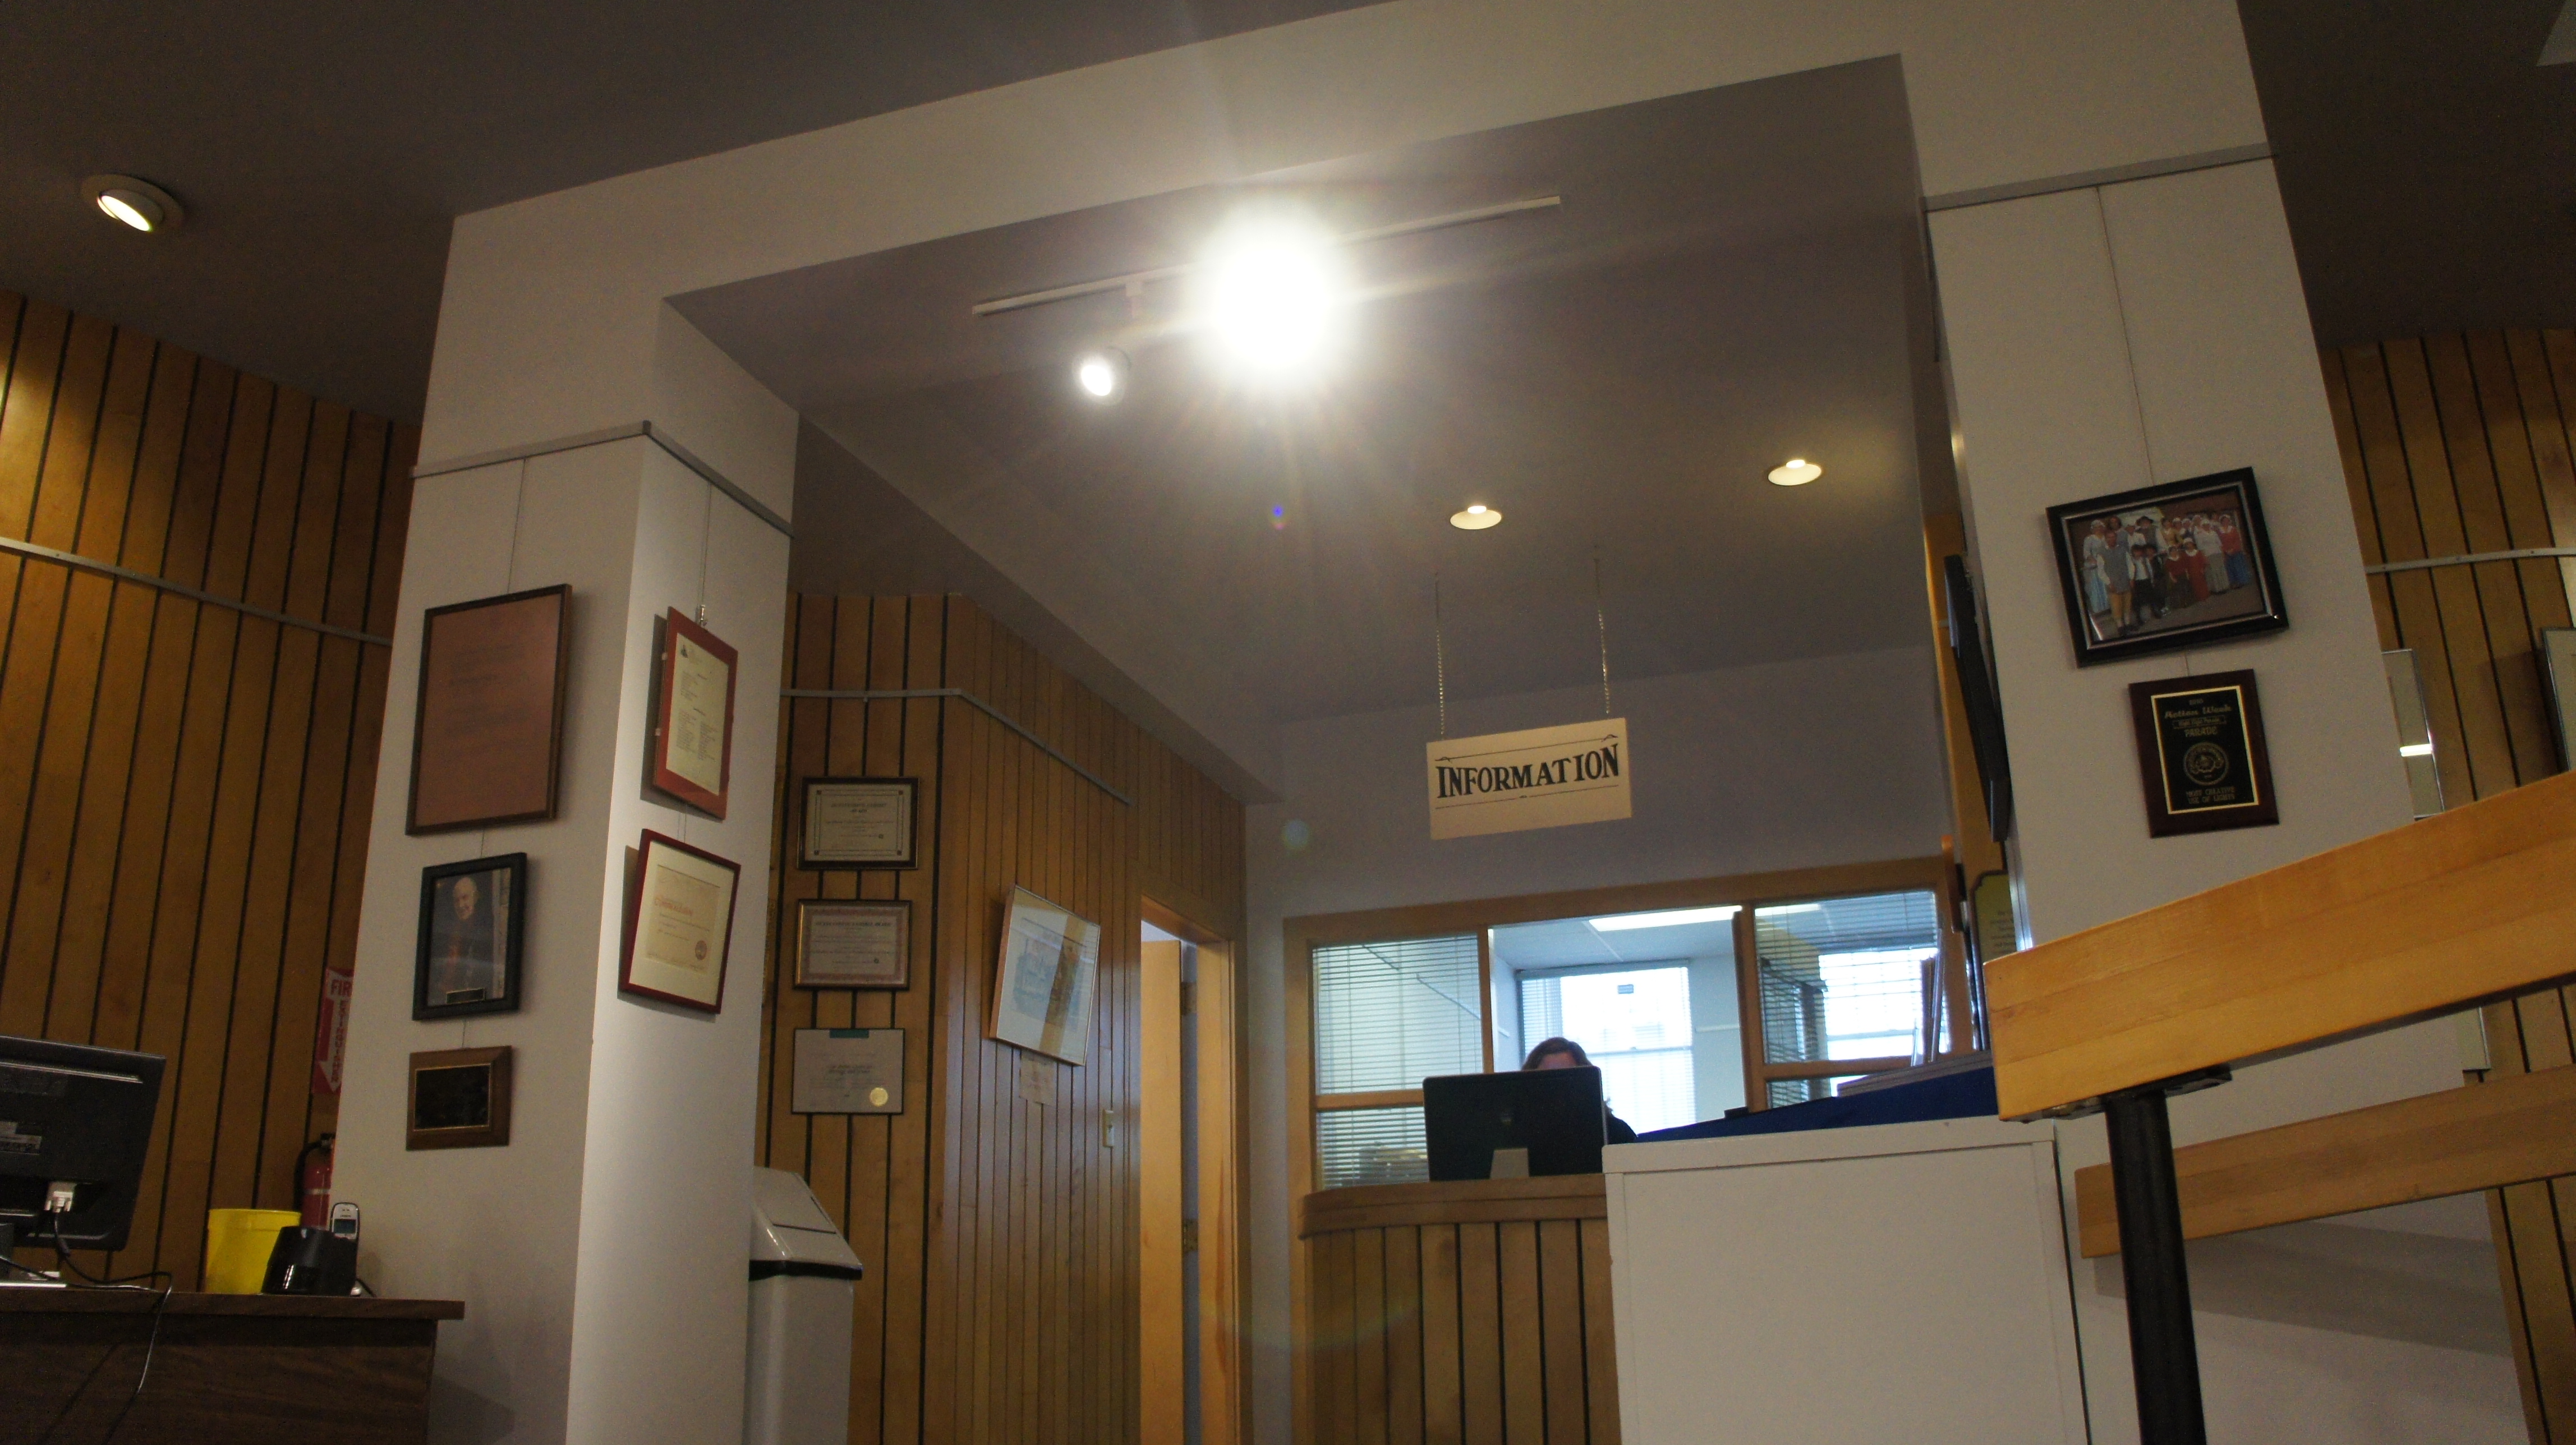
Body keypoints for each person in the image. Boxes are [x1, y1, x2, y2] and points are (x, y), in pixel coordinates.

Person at [1522, 1037, 1638, 1143]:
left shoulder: (1615, 1131)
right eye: (1548, 1078)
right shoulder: (1521, 1133)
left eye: (1566, 1077)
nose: (1557, 1087)